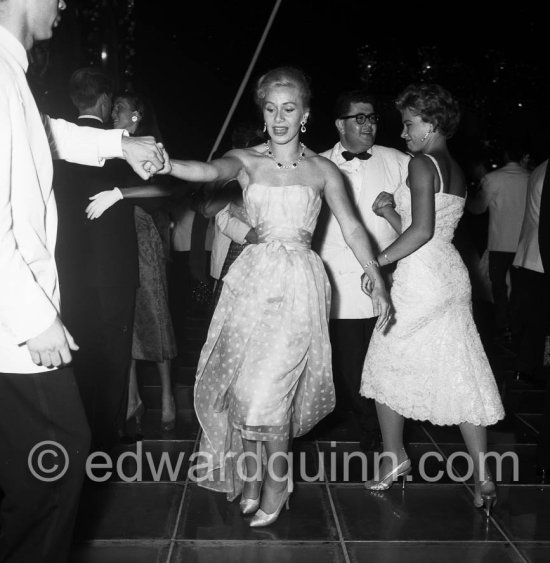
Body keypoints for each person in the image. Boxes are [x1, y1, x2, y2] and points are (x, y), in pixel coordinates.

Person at [156, 66, 392, 527]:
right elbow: (207, 170)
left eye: (289, 109)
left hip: (300, 283)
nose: (279, 118)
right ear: (262, 114)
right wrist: (168, 165)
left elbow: (353, 228)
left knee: (270, 391)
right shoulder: (245, 160)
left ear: (305, 114)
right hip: (250, 281)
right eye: (270, 109)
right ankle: (249, 475)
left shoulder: (324, 170)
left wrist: (377, 279)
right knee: (242, 385)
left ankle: (277, 483)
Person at [0, 2, 165, 561]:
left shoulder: (9, 71)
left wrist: (120, 143)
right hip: (19, 324)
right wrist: (34, 317)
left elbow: (46, 132)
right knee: (57, 456)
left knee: (32, 465)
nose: (65, 3)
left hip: (19, 318)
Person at [360, 83, 505, 516]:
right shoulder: (454, 168)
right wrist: (388, 213)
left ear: (432, 123)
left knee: (384, 360)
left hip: (420, 275)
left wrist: (377, 263)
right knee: (461, 368)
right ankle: (482, 475)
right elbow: (431, 224)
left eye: (409, 123)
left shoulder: (422, 163)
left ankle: (394, 456)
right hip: (449, 273)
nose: (403, 133)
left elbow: (420, 231)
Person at [314, 89, 409, 451]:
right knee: (349, 367)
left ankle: (386, 441)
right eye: (360, 118)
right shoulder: (317, 164)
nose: (369, 124)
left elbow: (417, 226)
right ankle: (371, 435)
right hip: (335, 284)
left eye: (372, 118)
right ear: (340, 124)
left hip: (387, 283)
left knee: (386, 366)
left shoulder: (398, 162)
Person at [54, 67, 141, 451]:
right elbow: (162, 184)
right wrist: (122, 192)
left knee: (79, 355)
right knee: (113, 356)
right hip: (115, 272)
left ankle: (79, 436)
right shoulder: (117, 147)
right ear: (105, 102)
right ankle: (108, 438)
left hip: (68, 271)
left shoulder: (52, 146)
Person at [86, 92, 178, 432]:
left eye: (120, 108)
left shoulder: (151, 147)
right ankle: (132, 399)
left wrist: (121, 194)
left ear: (136, 115)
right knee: (124, 319)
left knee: (155, 315)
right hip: (115, 241)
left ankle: (168, 398)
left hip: (143, 236)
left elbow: (162, 192)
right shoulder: (110, 149)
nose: (113, 113)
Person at [467, 142, 530, 342]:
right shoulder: (531, 177)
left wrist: (466, 200)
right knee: (520, 287)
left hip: (500, 243)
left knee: (499, 286)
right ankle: (518, 325)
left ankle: (502, 325)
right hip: (524, 244)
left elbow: (478, 208)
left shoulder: (493, 178)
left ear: (504, 155)